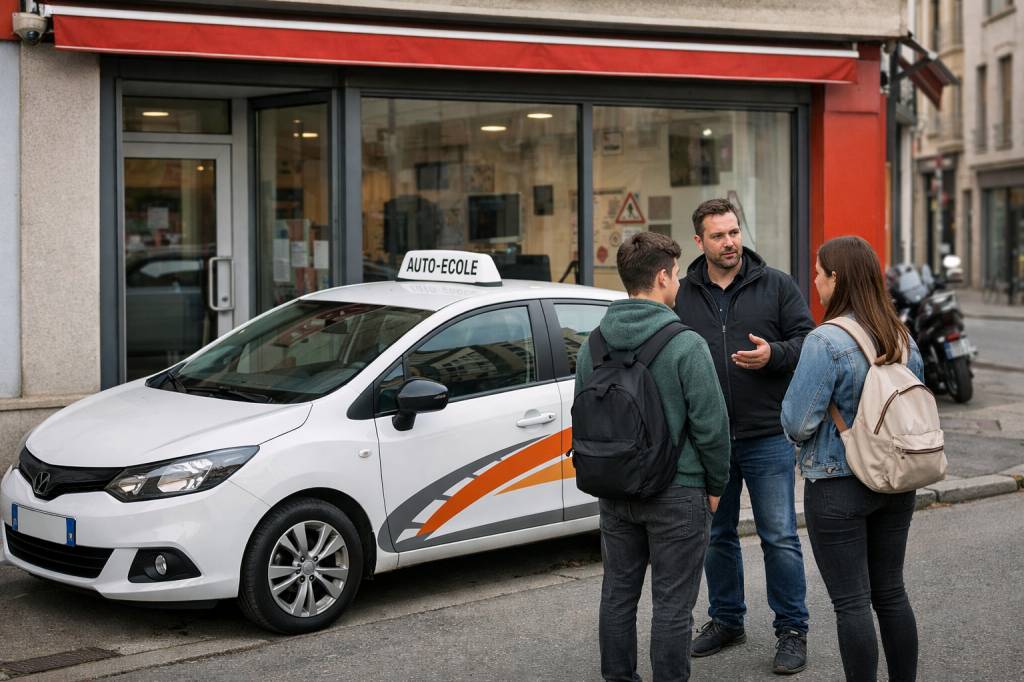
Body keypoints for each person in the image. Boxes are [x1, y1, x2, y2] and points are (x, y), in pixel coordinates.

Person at [576, 231, 731, 681]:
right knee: (672, 604)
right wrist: (716, 486)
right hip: (677, 492)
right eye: (677, 274)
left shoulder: (593, 344)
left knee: (618, 595)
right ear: (662, 276)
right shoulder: (685, 344)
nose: (679, 283)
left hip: (614, 489)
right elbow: (712, 427)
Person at [676, 198, 813, 674]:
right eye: (719, 235)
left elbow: (808, 341)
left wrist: (773, 354)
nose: (730, 242)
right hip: (709, 440)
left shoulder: (775, 284)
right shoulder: (684, 293)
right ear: (700, 241)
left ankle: (792, 629)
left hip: (767, 435)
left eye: (734, 232)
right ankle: (727, 619)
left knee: (778, 536)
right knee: (716, 535)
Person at [781, 236, 923, 682]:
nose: (816, 283)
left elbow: (796, 423)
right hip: (898, 479)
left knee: (852, 603)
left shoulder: (825, 340)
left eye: (819, 274)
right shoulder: (901, 335)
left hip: (839, 482)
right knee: (892, 593)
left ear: (836, 278)